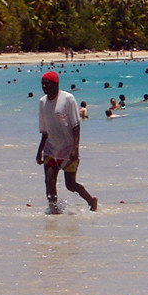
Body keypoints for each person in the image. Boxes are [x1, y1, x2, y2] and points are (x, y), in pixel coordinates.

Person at [35, 70, 97, 213]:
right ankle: (54, 210)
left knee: (70, 184)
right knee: (49, 180)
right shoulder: (42, 102)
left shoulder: (68, 99)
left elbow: (76, 125)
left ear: (55, 84)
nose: (44, 86)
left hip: (68, 150)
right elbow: (44, 130)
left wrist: (75, 148)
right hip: (50, 149)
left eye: (47, 84)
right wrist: (39, 152)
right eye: (42, 84)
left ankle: (91, 200)